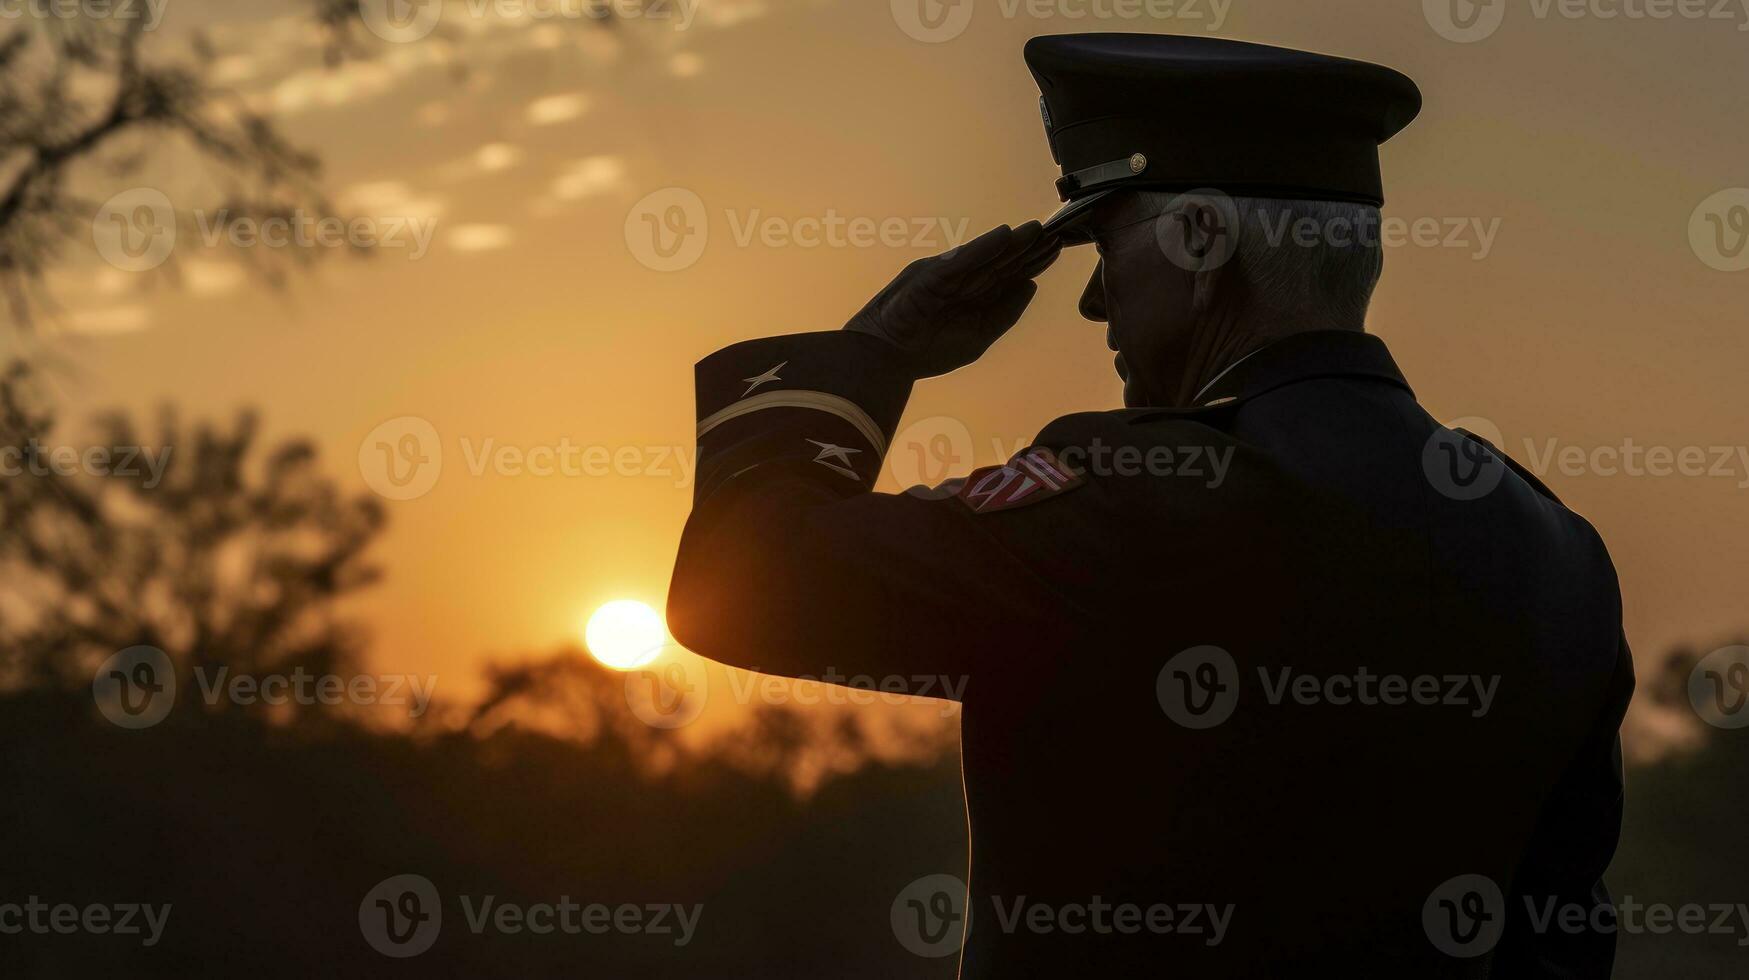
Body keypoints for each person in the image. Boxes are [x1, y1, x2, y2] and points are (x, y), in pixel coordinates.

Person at [667, 33, 1634, 978]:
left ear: (1200, 236)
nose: (1094, 303)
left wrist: (875, 351)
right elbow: (1561, 940)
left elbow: (742, 586)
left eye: (1104, 244)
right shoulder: (1551, 545)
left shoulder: (1135, 500)